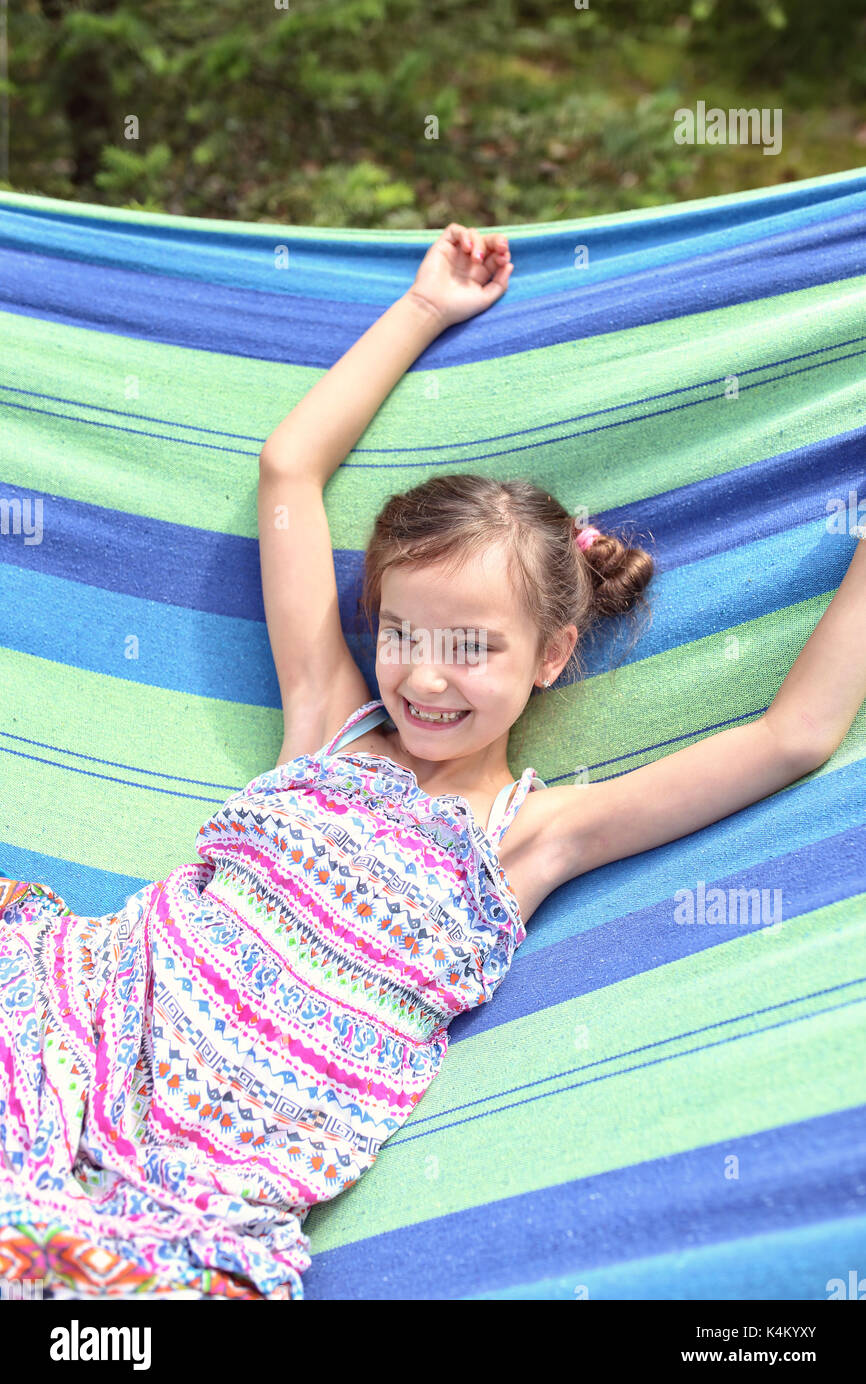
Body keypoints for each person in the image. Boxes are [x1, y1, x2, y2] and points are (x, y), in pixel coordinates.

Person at [1, 223, 864, 1301]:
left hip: (224, 1154)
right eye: (404, 632)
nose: (425, 677)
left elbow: (789, 736)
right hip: (81, 1011)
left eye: (474, 647)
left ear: (551, 655)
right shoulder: (330, 717)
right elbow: (289, 467)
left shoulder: (533, 835)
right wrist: (424, 307)